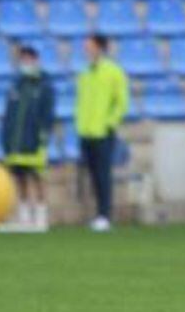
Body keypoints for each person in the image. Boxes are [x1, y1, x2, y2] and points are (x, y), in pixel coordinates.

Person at [75, 33, 129, 232]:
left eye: (89, 46)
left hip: (103, 132)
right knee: (92, 174)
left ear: (99, 48)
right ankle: (99, 214)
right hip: (86, 132)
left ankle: (105, 214)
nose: (86, 49)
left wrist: (110, 123)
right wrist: (80, 125)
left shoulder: (114, 72)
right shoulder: (84, 73)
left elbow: (121, 102)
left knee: (103, 174)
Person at [0, 45, 55, 232]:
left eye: (29, 59)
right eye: (22, 60)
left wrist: (43, 136)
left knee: (37, 176)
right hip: (16, 141)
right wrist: (6, 138)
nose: (25, 63)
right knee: (20, 177)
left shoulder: (44, 85)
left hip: (34, 139)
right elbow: (9, 114)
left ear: (36, 60)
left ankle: (41, 215)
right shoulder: (15, 86)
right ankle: (24, 216)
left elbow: (48, 114)